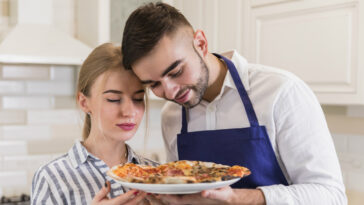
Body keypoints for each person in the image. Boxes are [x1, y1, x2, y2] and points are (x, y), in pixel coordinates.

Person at [121, 2, 347, 205]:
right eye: (153, 85)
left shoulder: (281, 92)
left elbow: (331, 195)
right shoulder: (171, 115)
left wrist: (240, 199)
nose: (169, 91)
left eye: (177, 71)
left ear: (200, 43)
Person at [31, 43, 159, 204]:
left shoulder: (158, 176)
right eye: (113, 99)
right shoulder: (52, 178)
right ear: (84, 103)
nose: (129, 111)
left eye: (138, 99)